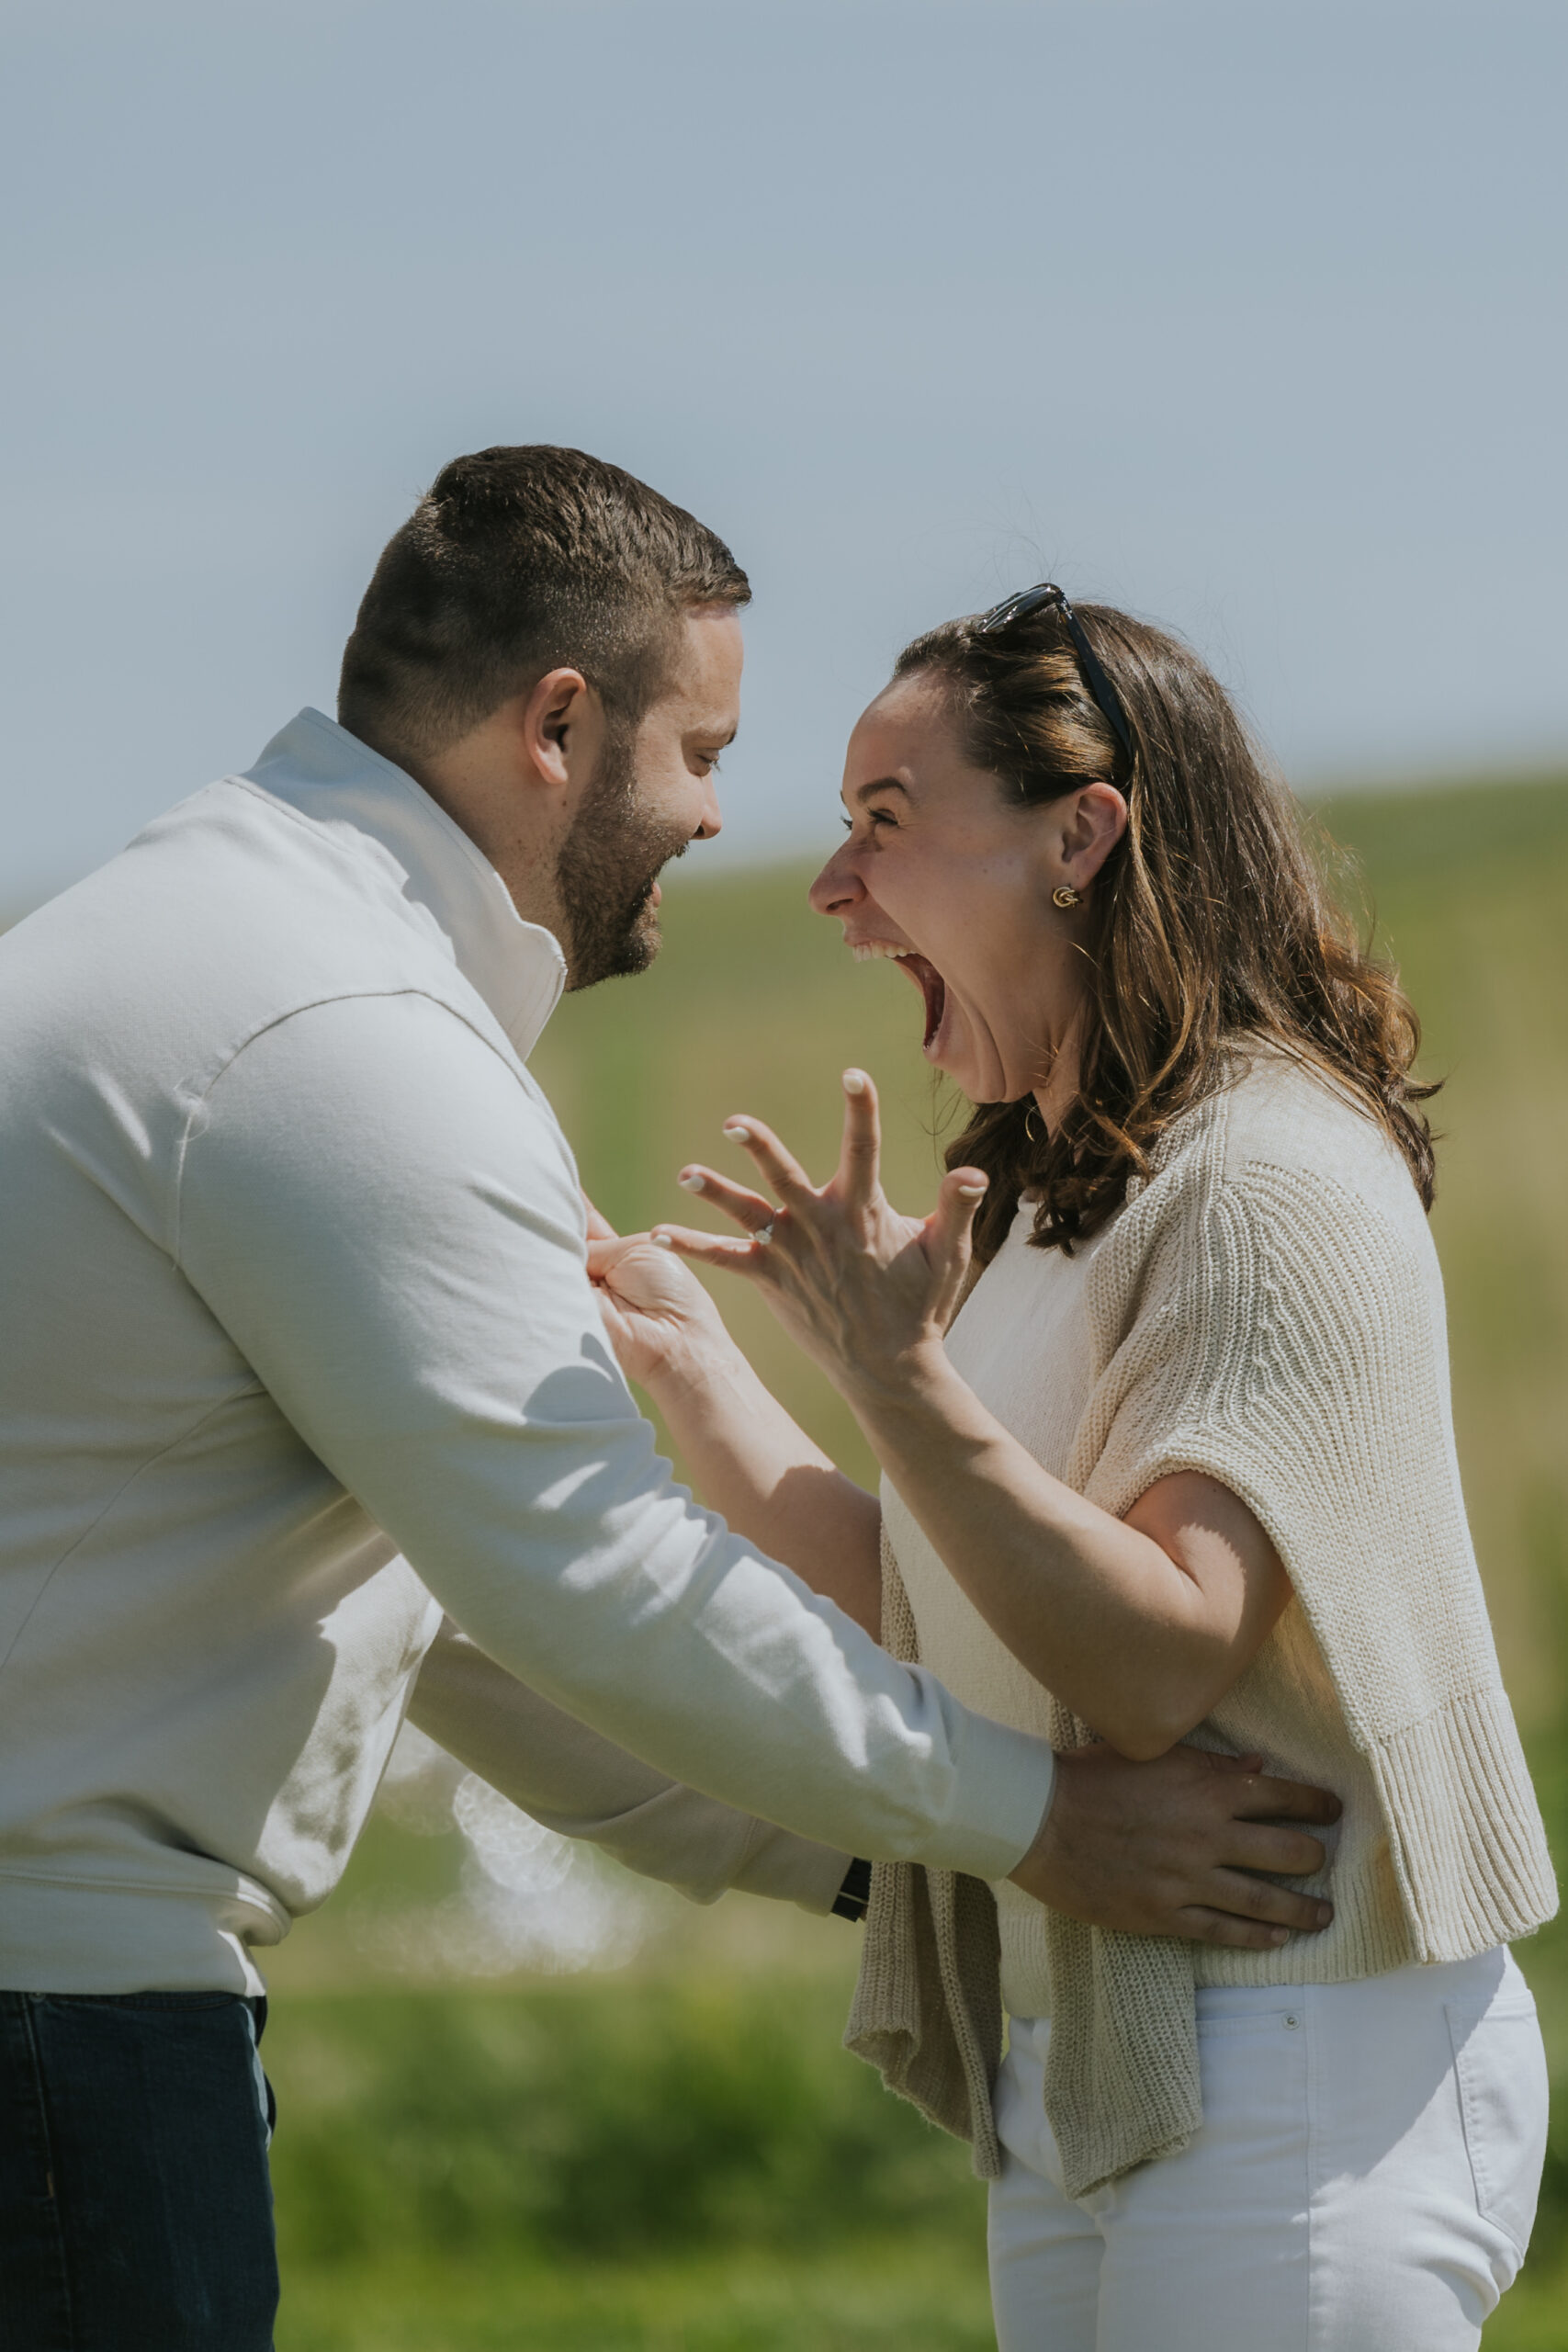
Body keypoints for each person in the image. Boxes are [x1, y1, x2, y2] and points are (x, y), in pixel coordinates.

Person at [0, 463, 1338, 2351]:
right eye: (698, 748)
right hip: (52, 2046)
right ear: (560, 723)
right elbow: (591, 1576)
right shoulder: (332, 1032)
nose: (719, 811)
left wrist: (887, 1850)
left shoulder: (240, 942)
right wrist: (1036, 1819)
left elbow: (454, 1622)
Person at [589, 582, 1558, 2350]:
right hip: (1106, 2060)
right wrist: (686, 1360)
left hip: (1299, 2068)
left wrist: (899, 1379)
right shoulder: (1057, 1195)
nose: (830, 889)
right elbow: (948, 1605)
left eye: (886, 824)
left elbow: (1154, 1657)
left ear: (1081, 836)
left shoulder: (1263, 1176)